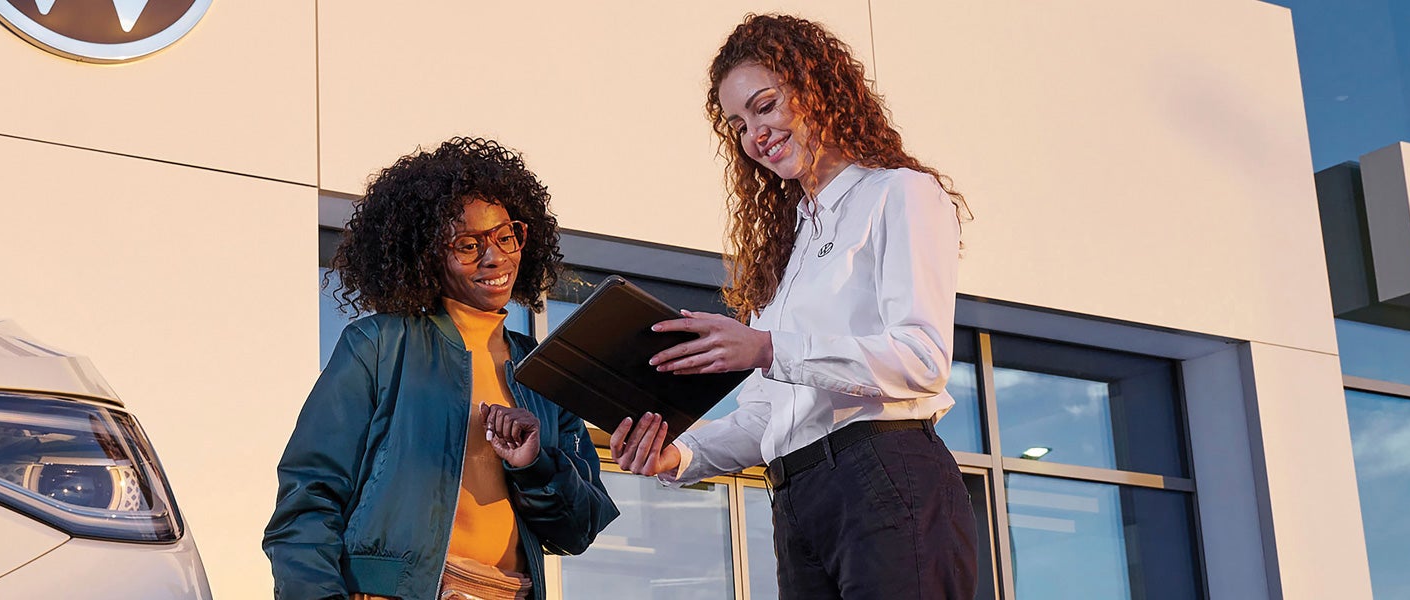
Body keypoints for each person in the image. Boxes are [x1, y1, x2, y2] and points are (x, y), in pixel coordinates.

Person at [608, 14, 978, 600]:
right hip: (796, 499)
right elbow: (765, 421)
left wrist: (768, 348)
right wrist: (678, 457)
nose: (755, 133)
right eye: (738, 124)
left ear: (816, 87)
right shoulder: (785, 257)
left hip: (886, 474)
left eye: (765, 105)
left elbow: (923, 358)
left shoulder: (899, 194)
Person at [264, 137, 618, 600]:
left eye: (506, 236)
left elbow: (579, 529)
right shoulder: (378, 346)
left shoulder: (545, 372)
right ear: (428, 255)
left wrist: (534, 465)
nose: (494, 258)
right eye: (468, 244)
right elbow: (307, 500)